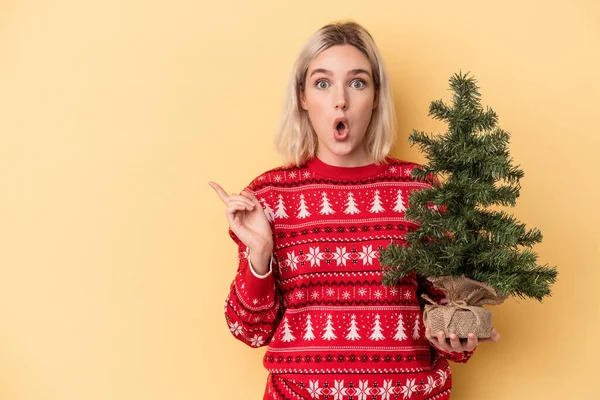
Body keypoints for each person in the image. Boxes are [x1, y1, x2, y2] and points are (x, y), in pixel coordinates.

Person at [209, 20, 500, 400]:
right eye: (323, 83)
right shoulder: (270, 196)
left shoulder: (419, 190)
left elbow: (447, 309)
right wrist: (259, 254)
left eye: (358, 82)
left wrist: (458, 337)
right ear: (302, 96)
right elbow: (249, 331)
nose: (340, 100)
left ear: (376, 96)